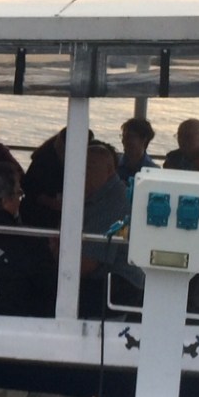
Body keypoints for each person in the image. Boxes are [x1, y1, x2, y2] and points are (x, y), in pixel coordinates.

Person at [0, 160, 57, 316]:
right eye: (19, 194)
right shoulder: (32, 242)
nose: (20, 200)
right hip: (16, 324)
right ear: (5, 200)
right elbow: (48, 293)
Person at [81, 142, 143, 316]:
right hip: (104, 277)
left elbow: (87, 263)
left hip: (117, 283)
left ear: (109, 171)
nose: (83, 172)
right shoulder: (96, 196)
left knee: (42, 288)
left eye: (90, 167)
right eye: (81, 166)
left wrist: (57, 255)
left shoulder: (113, 202)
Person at [118, 117, 158, 182]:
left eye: (129, 137)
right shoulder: (114, 165)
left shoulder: (152, 171)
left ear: (144, 140)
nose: (124, 141)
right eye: (123, 136)